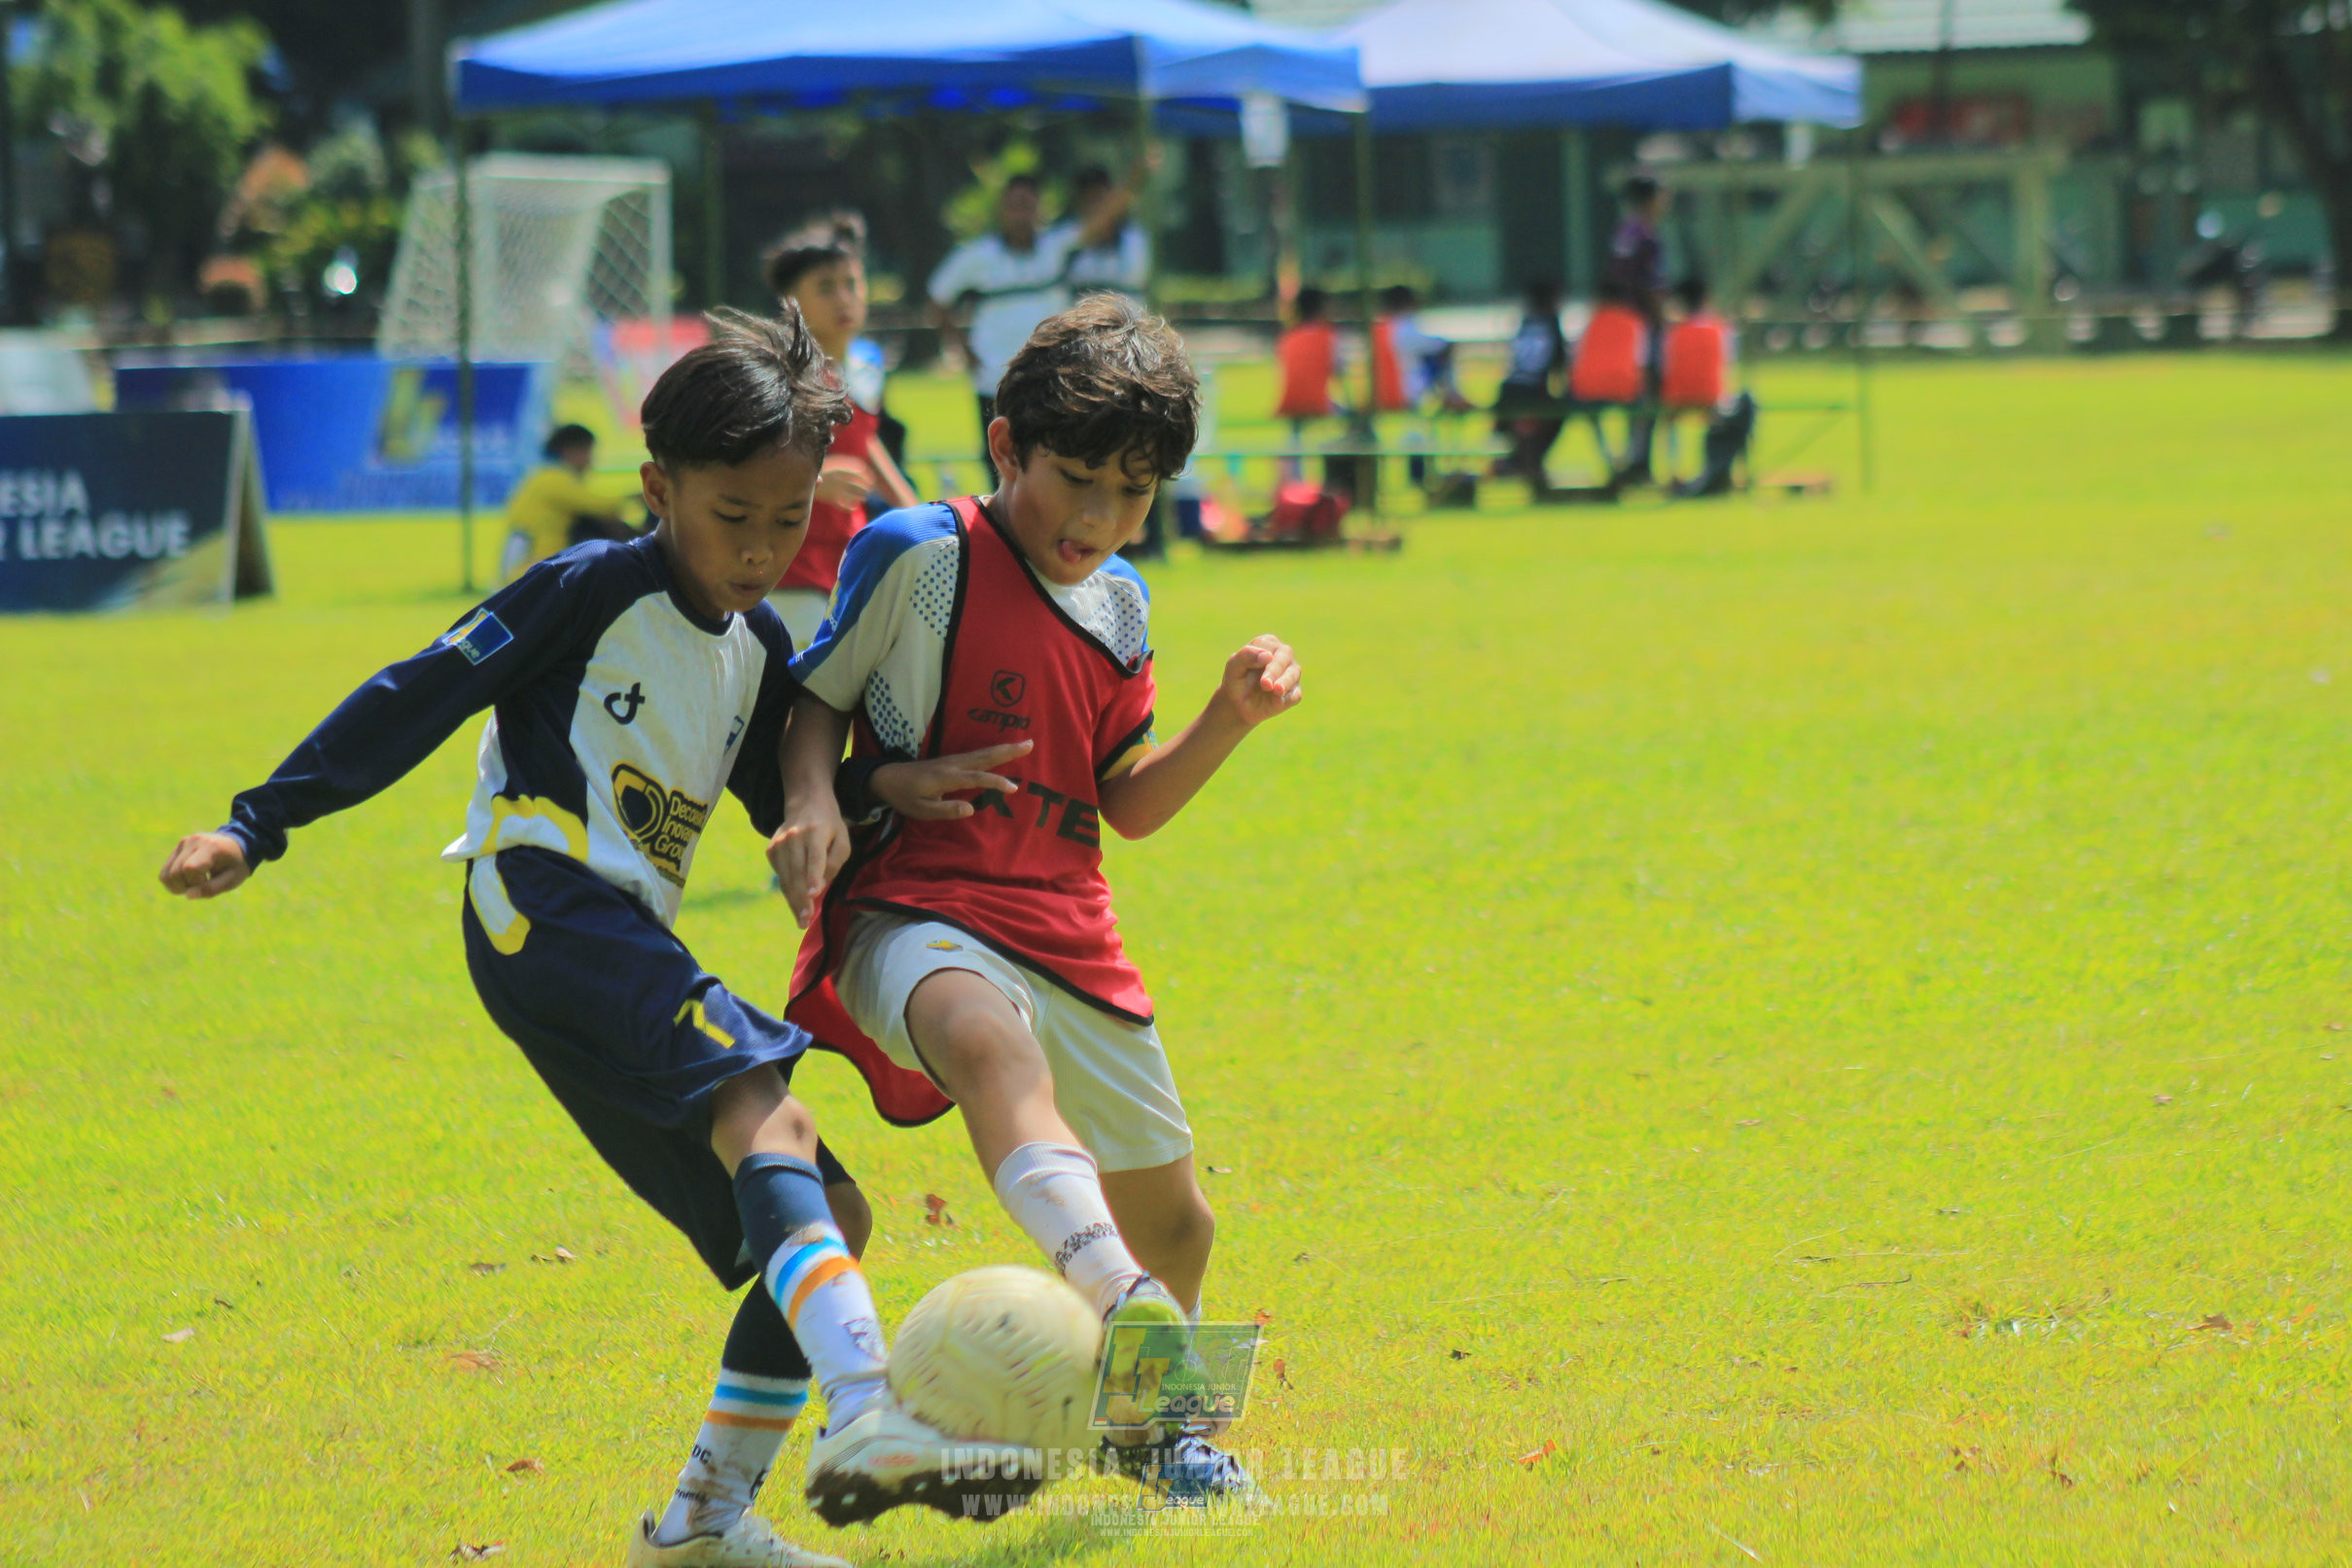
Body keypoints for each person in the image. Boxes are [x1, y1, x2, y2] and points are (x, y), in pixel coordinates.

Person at [156, 305, 1040, 1568]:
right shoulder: (587, 589)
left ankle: (700, 1526)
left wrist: (873, 793)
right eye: (730, 515)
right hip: (542, 900)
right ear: (657, 488)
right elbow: (418, 692)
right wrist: (259, 822)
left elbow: (780, 794)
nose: (759, 547)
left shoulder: (757, 645)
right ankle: (871, 1408)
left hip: (609, 942)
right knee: (769, 1112)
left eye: (787, 518)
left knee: (827, 1213)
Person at [769, 296, 1303, 1502]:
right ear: (1006, 446)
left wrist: (1227, 719)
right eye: (1075, 480)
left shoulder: (1122, 604)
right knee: (985, 1042)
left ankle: (1159, 1435)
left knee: (1184, 1223)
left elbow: (1127, 801)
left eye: (1133, 492)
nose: (1099, 518)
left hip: (1069, 923)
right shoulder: (920, 552)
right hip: (914, 901)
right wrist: (825, 797)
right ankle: (1117, 1292)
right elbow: (814, 700)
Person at [764, 215, 921, 649]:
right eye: (826, 288)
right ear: (790, 301)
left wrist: (920, 516)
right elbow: (738, 464)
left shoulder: (861, 367)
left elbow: (863, 442)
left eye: (852, 284)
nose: (844, 299)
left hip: (847, 562)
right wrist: (813, 481)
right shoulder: (775, 373)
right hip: (786, 569)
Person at [927, 172, 1138, 482]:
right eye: (1014, 206)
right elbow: (937, 297)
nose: (1020, 214)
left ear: (1039, 209)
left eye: (1027, 205)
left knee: (1053, 458)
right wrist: (962, 348)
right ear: (1002, 210)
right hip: (994, 378)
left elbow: (1101, 219)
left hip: (1049, 377)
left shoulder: (1056, 246)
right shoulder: (978, 255)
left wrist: (1135, 177)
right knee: (1002, 463)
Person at [1601, 173, 1670, 487]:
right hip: (1643, 326)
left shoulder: (1622, 231)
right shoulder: (1647, 236)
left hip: (1619, 324)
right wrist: (1664, 322)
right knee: (1649, 393)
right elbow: (1651, 286)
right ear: (1650, 199)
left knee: (1633, 394)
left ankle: (1630, 459)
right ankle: (1640, 463)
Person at [501, 424, 635, 581]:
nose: (590, 462)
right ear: (569, 450)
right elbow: (600, 505)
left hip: (534, 568)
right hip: (539, 567)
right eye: (587, 452)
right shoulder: (554, 478)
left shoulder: (542, 476)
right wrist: (636, 497)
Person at [1492, 279, 1569, 499]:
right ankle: (1530, 468)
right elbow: (1559, 363)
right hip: (1531, 390)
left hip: (1508, 390)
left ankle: (1519, 464)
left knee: (1528, 428)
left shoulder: (1525, 322)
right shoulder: (1551, 323)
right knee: (1555, 415)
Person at [1371, 284, 1470, 415]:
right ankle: (1453, 397)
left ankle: (1452, 397)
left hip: (1378, 394)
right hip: (1405, 393)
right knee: (1441, 356)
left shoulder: (1379, 328)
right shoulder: (1404, 326)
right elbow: (1442, 345)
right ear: (1408, 303)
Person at [1060, 164, 1150, 303]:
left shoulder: (1135, 239)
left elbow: (1136, 281)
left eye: (1100, 198)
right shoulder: (1063, 237)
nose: (1097, 207)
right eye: (1089, 199)